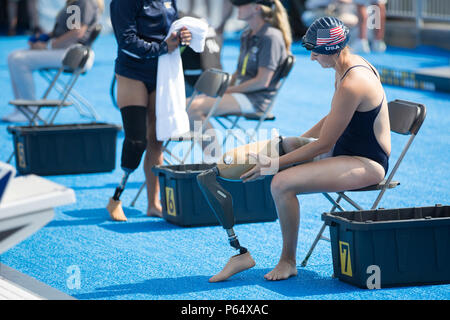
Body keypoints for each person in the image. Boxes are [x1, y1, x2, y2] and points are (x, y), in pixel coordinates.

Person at [205, 16, 390, 282]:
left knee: (281, 183)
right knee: (286, 146)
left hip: (365, 162)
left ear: (331, 49)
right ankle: (250, 251)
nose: (312, 58)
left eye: (315, 51)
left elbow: (324, 144)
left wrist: (273, 165)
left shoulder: (353, 81)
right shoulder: (344, 67)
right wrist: (294, 143)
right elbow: (332, 118)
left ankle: (288, 261)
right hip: (344, 151)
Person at [108, 0, 192, 220]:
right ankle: (116, 197)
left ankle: (153, 204)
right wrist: (164, 47)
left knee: (156, 140)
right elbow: (126, 40)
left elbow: (170, 31)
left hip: (161, 73)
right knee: (136, 141)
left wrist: (183, 38)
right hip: (132, 72)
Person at [187, 0, 292, 160]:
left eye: (242, 4)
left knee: (193, 108)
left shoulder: (271, 37)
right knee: (186, 104)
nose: (237, 7)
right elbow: (239, 72)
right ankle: (213, 159)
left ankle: (214, 163)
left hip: (256, 99)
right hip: (242, 94)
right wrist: (223, 88)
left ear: (256, 8)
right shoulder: (247, 34)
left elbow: (262, 81)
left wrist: (227, 90)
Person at [2, 0, 104, 123]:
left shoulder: (84, 2)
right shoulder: (75, 2)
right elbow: (63, 31)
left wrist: (49, 46)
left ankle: (30, 110)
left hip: (74, 54)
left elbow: (77, 32)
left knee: (19, 60)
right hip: (66, 51)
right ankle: (21, 109)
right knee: (12, 56)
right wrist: (42, 39)